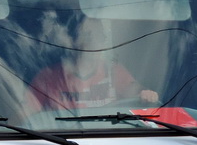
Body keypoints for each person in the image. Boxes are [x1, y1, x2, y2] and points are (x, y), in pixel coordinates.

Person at [28, 15, 157, 112]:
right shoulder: (48, 78)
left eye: (99, 36)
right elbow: (23, 116)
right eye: (88, 35)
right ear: (72, 40)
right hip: (61, 140)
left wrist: (146, 95)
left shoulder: (113, 72)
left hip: (107, 139)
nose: (94, 42)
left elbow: (136, 92)